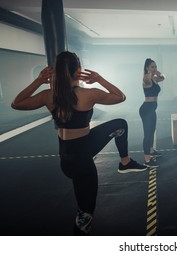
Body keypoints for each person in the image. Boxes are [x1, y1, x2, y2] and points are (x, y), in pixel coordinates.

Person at [11, 51, 147, 235]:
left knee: (120, 125)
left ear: (56, 72)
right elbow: (119, 96)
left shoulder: (48, 95)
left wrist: (38, 81)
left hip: (70, 155)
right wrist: (99, 78)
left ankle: (125, 162)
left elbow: (17, 103)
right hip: (81, 161)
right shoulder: (88, 94)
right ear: (79, 71)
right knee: (85, 215)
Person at [139, 58, 165, 167]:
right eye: (152, 67)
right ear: (147, 68)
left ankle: (151, 150)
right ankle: (147, 160)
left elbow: (163, 78)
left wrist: (160, 74)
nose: (155, 68)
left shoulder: (154, 78)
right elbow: (147, 81)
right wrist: (151, 75)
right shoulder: (147, 78)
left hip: (152, 109)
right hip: (146, 109)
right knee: (148, 134)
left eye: (155, 66)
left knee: (152, 130)